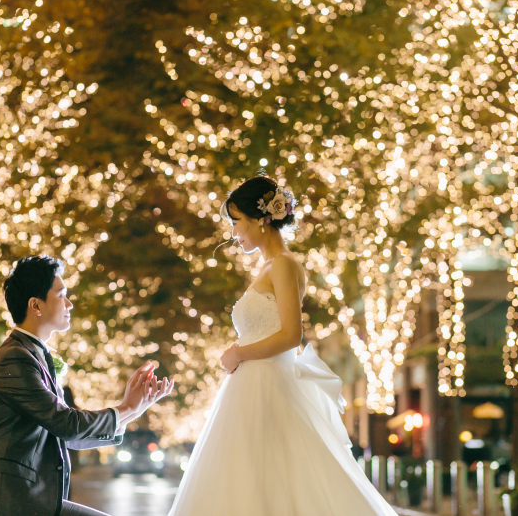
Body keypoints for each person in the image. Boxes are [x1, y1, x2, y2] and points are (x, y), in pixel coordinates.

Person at [167, 176, 398, 516]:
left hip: (269, 386)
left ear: (261, 218)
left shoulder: (285, 265)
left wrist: (238, 353)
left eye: (237, 222)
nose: (234, 233)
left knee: (275, 477)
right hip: (251, 387)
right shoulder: (268, 267)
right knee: (249, 480)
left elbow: (291, 335)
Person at [0, 255, 173, 516]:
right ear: (35, 306)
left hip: (34, 502)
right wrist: (125, 407)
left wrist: (135, 409)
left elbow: (65, 437)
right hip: (8, 503)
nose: (70, 303)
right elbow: (66, 424)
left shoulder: (35, 355)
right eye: (61, 295)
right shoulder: (14, 359)